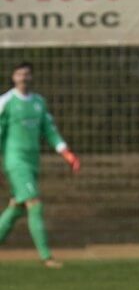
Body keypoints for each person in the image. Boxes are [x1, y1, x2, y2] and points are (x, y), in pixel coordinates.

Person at [0, 62, 80, 268]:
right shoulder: (6, 101)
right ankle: (46, 257)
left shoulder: (39, 102)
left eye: (27, 74)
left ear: (31, 77)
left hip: (33, 161)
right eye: (19, 74)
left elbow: (50, 131)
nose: (23, 78)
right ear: (13, 77)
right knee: (34, 204)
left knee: (17, 207)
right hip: (15, 159)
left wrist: (67, 153)